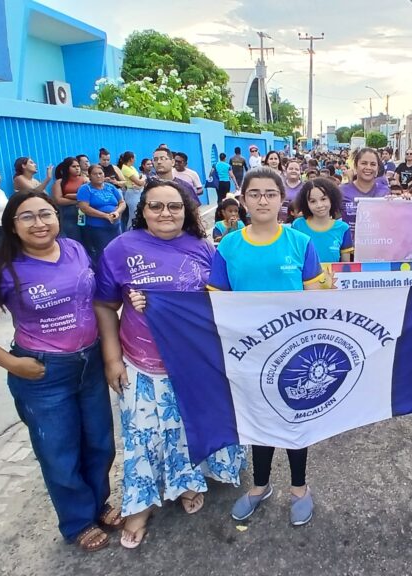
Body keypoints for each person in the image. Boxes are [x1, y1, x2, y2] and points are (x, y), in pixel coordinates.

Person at [0, 190, 123, 552]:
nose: (39, 223)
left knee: (99, 443)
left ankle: (99, 504)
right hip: (44, 374)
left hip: (89, 363)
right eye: (27, 217)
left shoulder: (75, 249)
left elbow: (96, 301)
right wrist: (12, 363)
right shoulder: (2, 270)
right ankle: (77, 521)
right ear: (12, 226)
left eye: (45, 214)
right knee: (59, 453)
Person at [96, 181, 247, 549]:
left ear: (187, 210)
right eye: (156, 206)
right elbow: (103, 305)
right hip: (140, 361)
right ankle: (140, 506)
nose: (166, 213)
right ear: (142, 210)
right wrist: (112, 358)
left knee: (185, 427)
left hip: (194, 361)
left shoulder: (204, 250)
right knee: (142, 435)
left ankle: (187, 484)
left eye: (174, 207)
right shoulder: (120, 249)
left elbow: (219, 302)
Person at [206, 167, 325, 526]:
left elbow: (314, 299)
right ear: (243, 201)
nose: (262, 200)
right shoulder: (229, 245)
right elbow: (216, 300)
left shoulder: (300, 244)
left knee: (294, 419)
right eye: (254, 194)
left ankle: (299, 488)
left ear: (282, 200)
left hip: (294, 352)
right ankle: (259, 487)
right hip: (247, 352)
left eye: (270, 193)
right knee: (257, 419)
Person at [291, 177, 354, 264]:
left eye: (323, 199)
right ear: (306, 204)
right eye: (313, 201)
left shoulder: (343, 228)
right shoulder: (298, 225)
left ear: (332, 199)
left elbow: (345, 266)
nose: (319, 205)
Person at [77, 164, 125, 264]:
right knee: (103, 252)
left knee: (118, 250)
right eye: (95, 174)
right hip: (97, 227)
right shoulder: (85, 189)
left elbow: (122, 202)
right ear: (89, 176)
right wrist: (105, 216)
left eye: (100, 173)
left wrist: (117, 212)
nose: (98, 176)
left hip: (115, 225)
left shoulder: (110, 187)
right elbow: (84, 208)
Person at [340, 148, 390, 234]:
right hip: (349, 246)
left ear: (377, 168)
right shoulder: (342, 191)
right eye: (364, 163)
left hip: (377, 244)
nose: (368, 167)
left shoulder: (385, 191)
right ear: (355, 166)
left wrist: (403, 201)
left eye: (373, 164)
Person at [52, 157, 85, 242]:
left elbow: (90, 195)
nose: (77, 168)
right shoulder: (59, 182)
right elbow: (58, 200)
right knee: (73, 239)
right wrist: (77, 201)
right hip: (68, 215)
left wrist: (69, 195)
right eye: (73, 166)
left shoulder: (84, 180)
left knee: (88, 238)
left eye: (78, 166)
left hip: (85, 212)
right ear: (67, 168)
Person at [118, 151, 146, 230]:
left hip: (138, 192)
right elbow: (140, 182)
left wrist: (142, 179)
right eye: (134, 158)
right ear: (131, 159)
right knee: (134, 215)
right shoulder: (125, 168)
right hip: (132, 193)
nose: (135, 160)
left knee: (139, 214)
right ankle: (130, 232)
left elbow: (139, 177)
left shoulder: (132, 167)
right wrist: (144, 178)